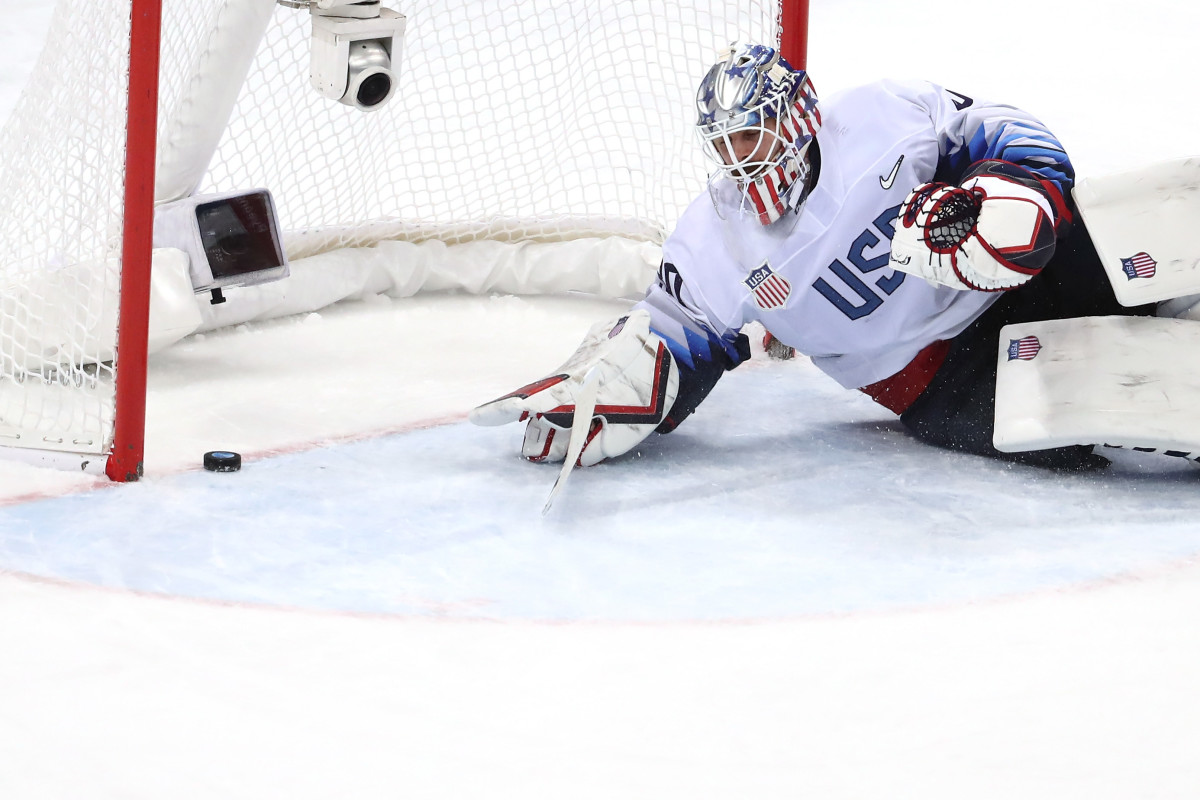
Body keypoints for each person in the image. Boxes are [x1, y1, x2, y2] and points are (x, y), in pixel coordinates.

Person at [470, 41, 1159, 471]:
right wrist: (619, 390)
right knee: (1073, 435)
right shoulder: (714, 238)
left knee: (1112, 252)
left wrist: (1011, 198)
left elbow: (1004, 131)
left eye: (750, 135)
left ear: (794, 117)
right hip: (941, 377)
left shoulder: (881, 115)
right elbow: (673, 337)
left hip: (1020, 277)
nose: (739, 160)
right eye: (725, 145)